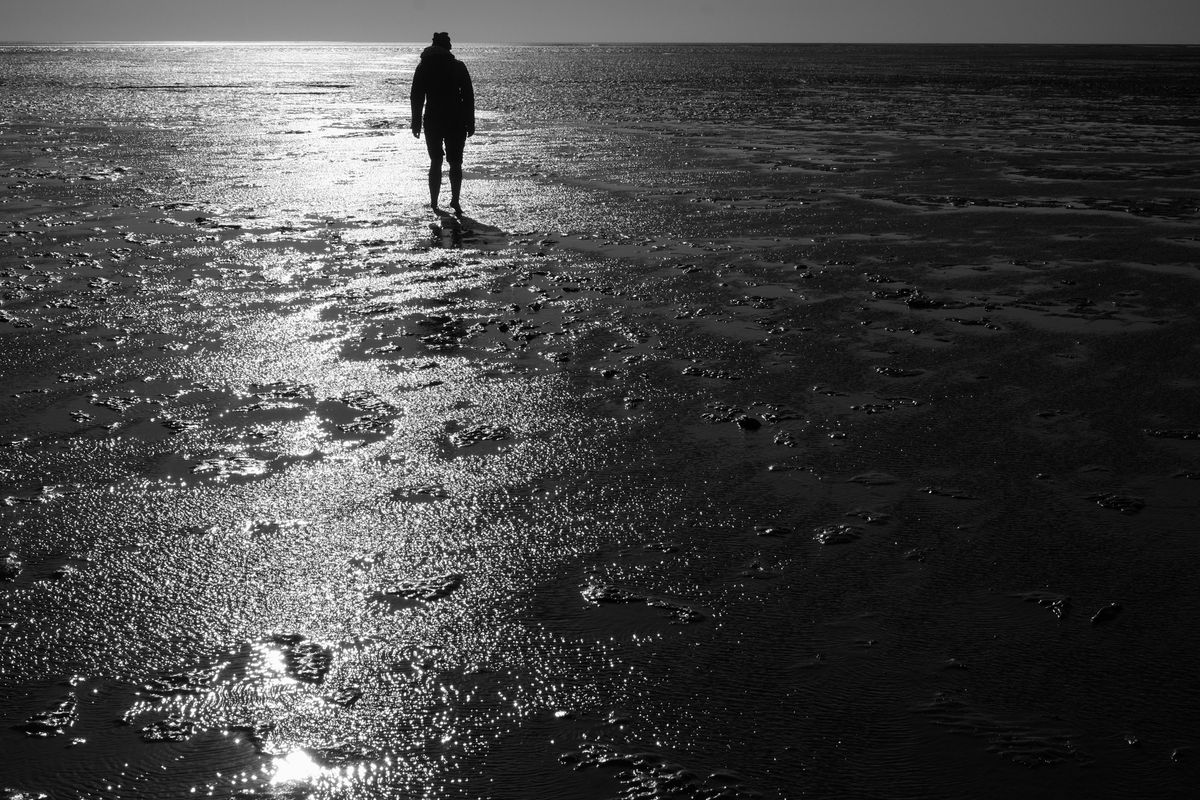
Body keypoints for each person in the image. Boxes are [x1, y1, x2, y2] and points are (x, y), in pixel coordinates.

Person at [410, 31, 475, 215]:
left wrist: (415, 122)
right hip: (455, 119)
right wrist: (470, 122)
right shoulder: (458, 67)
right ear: (447, 47)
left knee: (436, 161)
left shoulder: (423, 67)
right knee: (455, 162)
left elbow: (416, 97)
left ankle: (434, 202)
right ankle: (454, 200)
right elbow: (468, 97)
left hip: (433, 120)